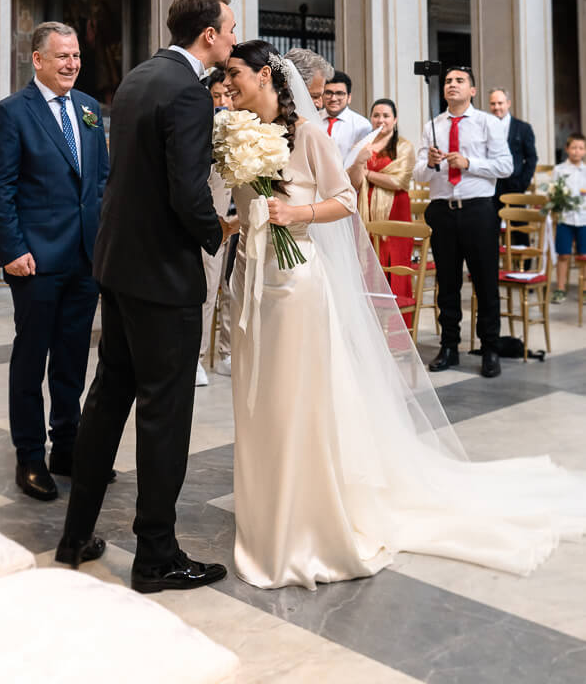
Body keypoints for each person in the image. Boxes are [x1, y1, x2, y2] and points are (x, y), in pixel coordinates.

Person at [223, 42, 586, 591]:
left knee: (298, 395)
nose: (227, 85)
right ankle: (269, 503)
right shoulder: (237, 130)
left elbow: (344, 199)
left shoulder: (309, 133)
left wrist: (296, 212)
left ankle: (310, 510)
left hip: (298, 281)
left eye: (235, 74)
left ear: (265, 75)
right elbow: (245, 200)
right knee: (261, 396)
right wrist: (235, 220)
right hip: (256, 276)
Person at [55, 0, 237, 591]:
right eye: (229, 29)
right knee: (165, 414)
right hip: (162, 276)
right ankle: (156, 555)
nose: (233, 39)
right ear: (208, 34)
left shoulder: (136, 77)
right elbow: (187, 193)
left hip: (120, 267)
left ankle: (76, 533)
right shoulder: (187, 91)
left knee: (108, 397)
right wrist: (219, 230)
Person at [0, 22, 109, 502]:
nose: (72, 64)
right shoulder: (13, 114)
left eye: (76, 56)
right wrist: (13, 249)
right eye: (62, 56)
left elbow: (99, 180)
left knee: (73, 357)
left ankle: (68, 448)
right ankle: (30, 456)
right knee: (31, 358)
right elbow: (2, 188)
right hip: (35, 259)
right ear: (37, 60)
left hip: (84, 258)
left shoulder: (90, 109)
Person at [413, 66, 512, 378]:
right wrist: (429, 163)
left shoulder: (487, 122)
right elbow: (418, 175)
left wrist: (470, 163)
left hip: (478, 209)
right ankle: (450, 346)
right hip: (443, 209)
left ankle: (490, 347)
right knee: (448, 283)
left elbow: (505, 166)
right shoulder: (433, 126)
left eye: (459, 81)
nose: (452, 85)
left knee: (485, 281)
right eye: (448, 82)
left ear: (472, 90)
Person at [348, 99, 415, 323]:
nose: (381, 120)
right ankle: (370, 327)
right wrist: (358, 164)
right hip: (364, 211)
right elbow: (353, 182)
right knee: (367, 263)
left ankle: (397, 332)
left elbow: (400, 181)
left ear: (394, 120)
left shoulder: (404, 146)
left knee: (394, 265)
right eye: (376, 115)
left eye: (386, 115)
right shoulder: (363, 145)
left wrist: (369, 174)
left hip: (395, 210)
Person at [196, 69, 233, 385]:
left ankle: (228, 351)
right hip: (216, 224)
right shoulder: (202, 131)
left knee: (236, 288)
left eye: (227, 96)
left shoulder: (249, 126)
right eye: (216, 96)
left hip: (245, 222)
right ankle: (197, 357)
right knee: (207, 287)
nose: (222, 103)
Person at [551, 133, 586, 304]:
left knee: (584, 255)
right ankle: (560, 288)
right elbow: (554, 192)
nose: (576, 151)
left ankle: (585, 289)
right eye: (573, 147)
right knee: (563, 255)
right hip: (565, 218)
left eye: (580, 148)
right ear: (567, 149)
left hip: (584, 219)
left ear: (585, 151)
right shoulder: (559, 170)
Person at [488, 87, 538, 204]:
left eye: (500, 103)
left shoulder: (523, 128)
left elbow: (532, 158)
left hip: (515, 186)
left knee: (519, 223)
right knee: (491, 222)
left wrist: (523, 184)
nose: (496, 107)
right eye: (493, 104)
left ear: (508, 103)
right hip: (491, 186)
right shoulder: (484, 127)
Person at [320, 71, 371, 164]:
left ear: (349, 97)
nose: (333, 98)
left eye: (339, 93)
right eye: (328, 93)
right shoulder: (312, 119)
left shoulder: (362, 125)